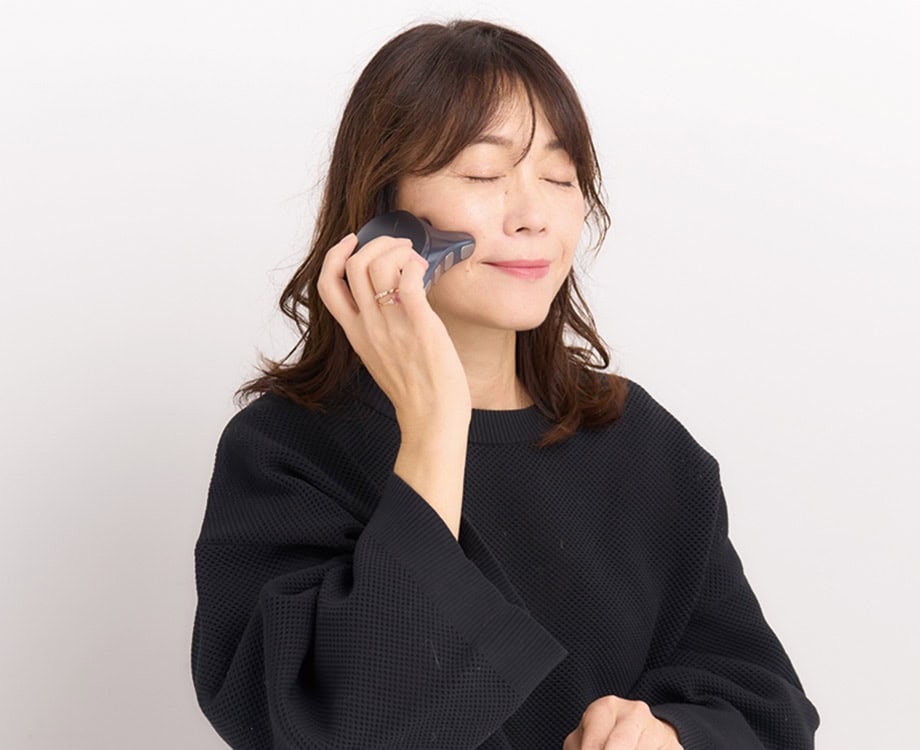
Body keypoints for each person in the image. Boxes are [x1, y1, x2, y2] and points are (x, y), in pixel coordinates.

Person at [191, 18, 820, 750]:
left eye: (559, 178)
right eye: (484, 175)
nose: (533, 217)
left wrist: (675, 735)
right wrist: (434, 427)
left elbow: (766, 709)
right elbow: (343, 724)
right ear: (386, 211)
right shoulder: (283, 452)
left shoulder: (641, 443)